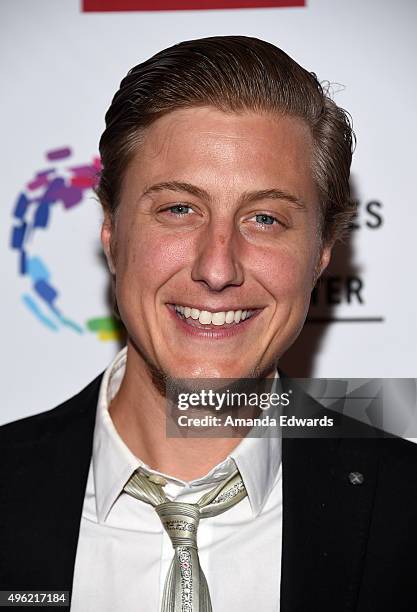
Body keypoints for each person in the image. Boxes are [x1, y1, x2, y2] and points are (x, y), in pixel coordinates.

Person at [1, 36, 417, 612]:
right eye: (178, 209)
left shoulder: (405, 511)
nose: (217, 268)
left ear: (322, 253)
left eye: (265, 218)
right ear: (111, 233)